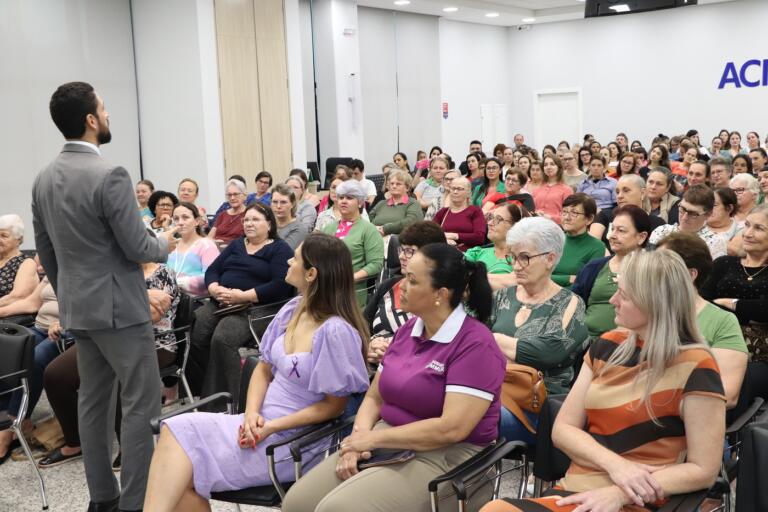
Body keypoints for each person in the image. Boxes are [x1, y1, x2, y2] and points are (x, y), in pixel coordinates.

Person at [481, 249, 727, 512]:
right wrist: (616, 466)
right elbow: (563, 429)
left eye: (625, 294)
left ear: (654, 302)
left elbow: (704, 469)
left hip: (641, 498)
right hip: (578, 490)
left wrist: (620, 493)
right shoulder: (608, 346)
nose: (612, 300)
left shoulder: (696, 365)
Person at [31, 81, 177, 511]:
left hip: (80, 308)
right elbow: (139, 248)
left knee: (92, 403)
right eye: (105, 109)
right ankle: (135, 501)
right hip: (120, 309)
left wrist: (70, 294)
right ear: (91, 120)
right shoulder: (109, 174)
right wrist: (165, 240)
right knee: (141, 404)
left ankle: (103, 498)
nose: (109, 115)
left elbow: (45, 250)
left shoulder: (43, 178)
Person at [143, 234, 370, 510]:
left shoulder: (335, 331)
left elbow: (334, 407)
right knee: (175, 435)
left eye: (295, 259)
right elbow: (263, 369)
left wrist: (271, 426)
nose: (288, 260)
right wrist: (252, 414)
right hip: (259, 424)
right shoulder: (291, 310)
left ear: (311, 274)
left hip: (295, 441)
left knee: (178, 470)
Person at [282, 243, 506, 512]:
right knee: (297, 504)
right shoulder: (410, 329)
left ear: (440, 294)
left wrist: (373, 441)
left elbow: (452, 428)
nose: (401, 285)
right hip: (388, 439)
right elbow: (375, 396)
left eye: (412, 280)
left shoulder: (475, 344)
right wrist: (357, 442)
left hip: (448, 457)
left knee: (338, 509)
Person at [37, 259, 180, 471]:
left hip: (154, 342)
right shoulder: (112, 273)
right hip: (104, 337)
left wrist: (110, 302)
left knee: (121, 370)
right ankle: (74, 441)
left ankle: (129, 447)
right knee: (55, 374)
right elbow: (85, 303)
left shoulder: (163, 273)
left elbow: (150, 316)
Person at [490, 217, 588, 444]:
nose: (515, 266)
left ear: (550, 259)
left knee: (472, 416)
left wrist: (494, 339)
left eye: (524, 258)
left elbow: (548, 353)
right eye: (513, 257)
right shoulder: (501, 297)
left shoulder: (570, 303)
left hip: (540, 406)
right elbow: (473, 344)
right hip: (496, 393)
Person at [188, 202, 294, 402]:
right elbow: (212, 270)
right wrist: (214, 288)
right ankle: (203, 391)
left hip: (258, 308)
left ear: (269, 224)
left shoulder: (280, 249)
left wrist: (243, 296)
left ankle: (231, 400)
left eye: (255, 219)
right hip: (222, 300)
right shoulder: (238, 244)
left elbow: (280, 285)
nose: (249, 224)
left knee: (223, 337)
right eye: (246, 220)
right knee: (197, 328)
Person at [656, 232, 747, 408]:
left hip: (684, 417)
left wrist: (661, 405)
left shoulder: (722, 321)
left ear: (690, 274)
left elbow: (727, 392)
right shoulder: (643, 312)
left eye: (662, 265)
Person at [701, 204, 768, 404]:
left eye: (759, 228)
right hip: (712, 342)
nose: (747, 233)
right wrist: (748, 310)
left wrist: (732, 303)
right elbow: (702, 301)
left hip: (759, 356)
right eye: (747, 225)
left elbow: (765, 311)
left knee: (735, 385)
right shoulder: (724, 264)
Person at [0, 258, 61, 466]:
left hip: (62, 332)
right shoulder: (53, 271)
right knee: (4, 350)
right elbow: (32, 303)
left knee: (33, 360)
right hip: (38, 328)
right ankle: (15, 419)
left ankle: (11, 426)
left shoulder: (80, 268)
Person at [364, 222, 447, 363]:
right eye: (401, 250)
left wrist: (396, 351)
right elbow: (362, 326)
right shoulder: (389, 285)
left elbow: (441, 346)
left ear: (431, 256)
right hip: (374, 366)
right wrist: (369, 345)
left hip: (416, 368)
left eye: (409, 251)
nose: (401, 256)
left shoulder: (440, 294)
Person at [574, 205, 651, 339]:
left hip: (631, 345)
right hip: (586, 342)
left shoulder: (652, 271)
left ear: (641, 237)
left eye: (621, 231)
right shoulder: (593, 267)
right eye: (612, 229)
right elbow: (574, 304)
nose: (612, 236)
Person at [321, 180, 384, 305]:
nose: (343, 201)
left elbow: (376, 264)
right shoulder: (328, 228)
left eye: (349, 198)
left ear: (360, 203)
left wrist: (350, 278)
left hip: (352, 292)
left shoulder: (369, 229)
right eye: (341, 197)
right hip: (325, 289)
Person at [649, 184, 726, 259]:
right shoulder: (661, 231)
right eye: (682, 209)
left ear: (708, 214)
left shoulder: (715, 243)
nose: (684, 217)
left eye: (692, 213)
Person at [590, 174, 665, 249]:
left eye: (626, 191)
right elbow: (592, 245)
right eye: (617, 192)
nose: (619, 196)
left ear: (642, 193)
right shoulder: (605, 215)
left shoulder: (658, 224)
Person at [166, 202, 220, 298]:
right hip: (169, 297)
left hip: (195, 302)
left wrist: (176, 283)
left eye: (185, 217)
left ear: (197, 221)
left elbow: (209, 277)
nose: (180, 222)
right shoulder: (172, 245)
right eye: (176, 219)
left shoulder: (207, 245)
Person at [553, 194, 607, 288]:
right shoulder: (554, 240)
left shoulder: (596, 247)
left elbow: (585, 283)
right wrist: (568, 279)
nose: (567, 217)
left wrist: (551, 279)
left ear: (589, 219)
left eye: (574, 213)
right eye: (564, 212)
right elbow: (537, 276)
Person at [466, 203, 530, 275]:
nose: (489, 223)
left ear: (515, 226)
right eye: (491, 218)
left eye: (498, 219)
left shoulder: (524, 261)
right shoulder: (477, 253)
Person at [433, 177, 486, 251]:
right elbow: (430, 233)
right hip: (444, 252)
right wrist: (444, 240)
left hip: (467, 254)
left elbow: (480, 237)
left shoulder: (475, 211)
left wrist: (454, 236)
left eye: (459, 189)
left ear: (468, 193)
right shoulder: (443, 212)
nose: (455, 191)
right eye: (453, 188)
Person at [368, 170, 423, 236]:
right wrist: (372, 229)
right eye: (392, 183)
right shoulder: (381, 203)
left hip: (400, 239)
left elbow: (411, 222)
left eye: (398, 184)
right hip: (374, 236)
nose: (394, 186)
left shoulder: (413, 203)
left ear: (407, 188)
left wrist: (385, 229)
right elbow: (367, 219)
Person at [0, 214, 38, 307]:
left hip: (8, 317)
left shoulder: (26, 263)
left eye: (4, 236)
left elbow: (17, 296)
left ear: (19, 239)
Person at [531, 155, 573, 223]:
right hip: (536, 225)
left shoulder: (567, 190)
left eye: (552, 164)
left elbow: (569, 215)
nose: (548, 167)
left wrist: (551, 217)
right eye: (545, 165)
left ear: (558, 168)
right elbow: (531, 211)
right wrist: (535, 213)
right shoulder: (536, 190)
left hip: (556, 226)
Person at [271, 183, 310, 250]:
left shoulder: (300, 228)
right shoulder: (268, 223)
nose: (278, 206)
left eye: (283, 202)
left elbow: (283, 252)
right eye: (275, 202)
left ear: (292, 204)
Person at [208, 179, 247, 244]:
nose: (232, 198)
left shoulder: (248, 214)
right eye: (229, 195)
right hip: (216, 248)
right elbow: (209, 238)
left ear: (244, 195)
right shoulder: (223, 215)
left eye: (235, 194)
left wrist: (225, 243)